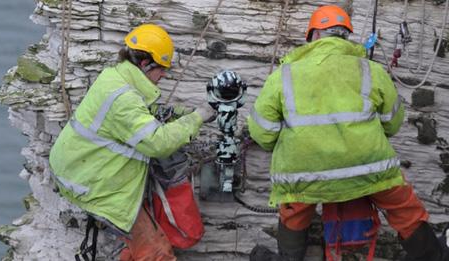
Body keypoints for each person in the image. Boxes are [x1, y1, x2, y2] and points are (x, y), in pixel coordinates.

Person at [247, 5, 448, 261]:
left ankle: (289, 257)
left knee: (293, 209)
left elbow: (262, 132)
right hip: (368, 169)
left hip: (304, 172)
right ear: (345, 35)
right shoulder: (370, 70)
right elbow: (393, 122)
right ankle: (432, 255)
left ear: (315, 36)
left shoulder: (283, 75)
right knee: (403, 207)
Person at [49, 24, 215, 260]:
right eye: (161, 69)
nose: (164, 75)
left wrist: (181, 113)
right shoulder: (124, 99)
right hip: (96, 186)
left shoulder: (115, 78)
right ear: (145, 64)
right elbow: (157, 143)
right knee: (157, 253)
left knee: (141, 244)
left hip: (85, 171)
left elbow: (143, 112)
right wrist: (199, 117)